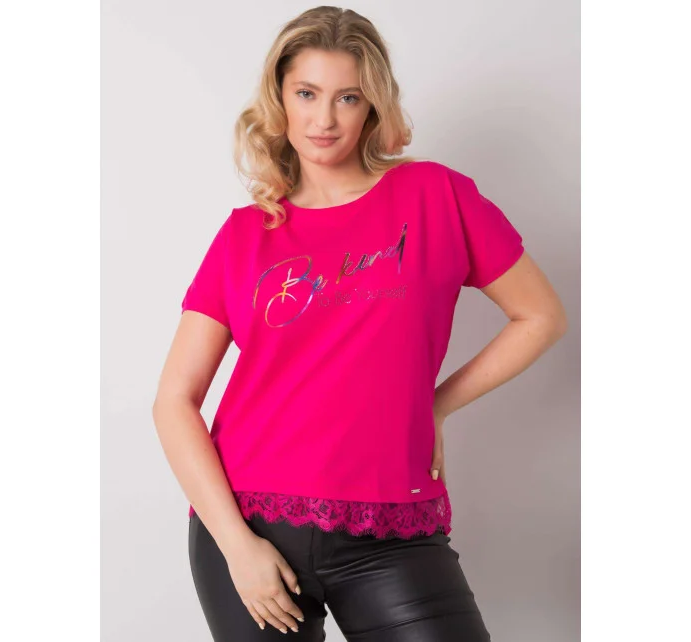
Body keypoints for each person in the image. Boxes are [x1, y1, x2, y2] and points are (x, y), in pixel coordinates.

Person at [152, 6, 568, 641]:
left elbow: (539, 316)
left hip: (393, 529)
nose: (324, 119)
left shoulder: (436, 196)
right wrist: (236, 546)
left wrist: (435, 404)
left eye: (347, 97)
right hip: (251, 524)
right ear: (279, 99)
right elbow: (174, 401)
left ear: (372, 104)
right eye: (306, 93)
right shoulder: (246, 235)